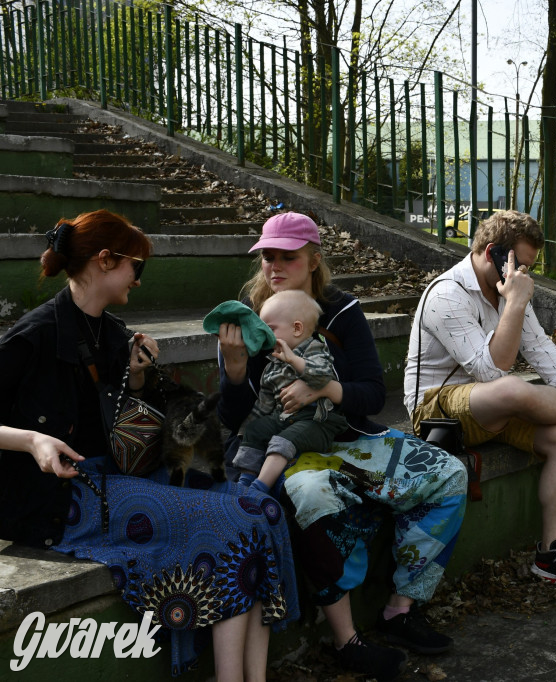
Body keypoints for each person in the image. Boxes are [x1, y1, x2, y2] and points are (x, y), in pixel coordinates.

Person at [0, 209, 298, 681]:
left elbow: (125, 424)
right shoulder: (35, 334)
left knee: (262, 509)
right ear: (104, 260)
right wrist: (32, 439)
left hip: (119, 474)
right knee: (228, 526)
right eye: (135, 267)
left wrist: (136, 379)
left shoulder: (112, 332)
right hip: (61, 497)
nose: (138, 281)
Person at [216, 212, 466, 682]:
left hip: (350, 436)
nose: (274, 265)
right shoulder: (245, 317)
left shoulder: (342, 310)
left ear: (313, 259)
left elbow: (372, 392)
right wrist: (232, 369)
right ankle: (347, 640)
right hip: (282, 445)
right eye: (267, 255)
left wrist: (324, 388)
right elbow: (235, 420)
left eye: (287, 256)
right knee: (313, 498)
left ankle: (401, 607)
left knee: (449, 473)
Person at [404, 209, 556, 594]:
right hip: (435, 411)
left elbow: (540, 349)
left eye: (529, 267)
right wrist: (516, 304)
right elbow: (490, 370)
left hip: (488, 408)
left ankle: (550, 554)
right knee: (512, 388)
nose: (525, 274)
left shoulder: (509, 285)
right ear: (492, 253)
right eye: (520, 264)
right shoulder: (446, 295)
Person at [229, 289, 348, 489]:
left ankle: (259, 488)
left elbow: (323, 376)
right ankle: (244, 481)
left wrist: (294, 360)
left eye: (271, 330)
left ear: (297, 328)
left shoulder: (315, 349)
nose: (266, 337)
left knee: (283, 440)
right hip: (284, 418)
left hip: (318, 422)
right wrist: (249, 428)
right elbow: (264, 403)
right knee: (255, 430)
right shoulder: (272, 365)